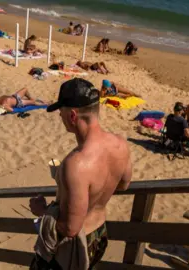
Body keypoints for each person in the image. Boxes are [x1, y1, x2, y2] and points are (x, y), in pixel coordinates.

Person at [29, 78, 132, 269]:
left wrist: (42, 211)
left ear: (73, 116)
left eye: (61, 113)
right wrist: (92, 190)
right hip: (100, 235)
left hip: (77, 246)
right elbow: (123, 184)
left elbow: (70, 228)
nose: (60, 117)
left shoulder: (75, 164)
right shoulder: (121, 145)